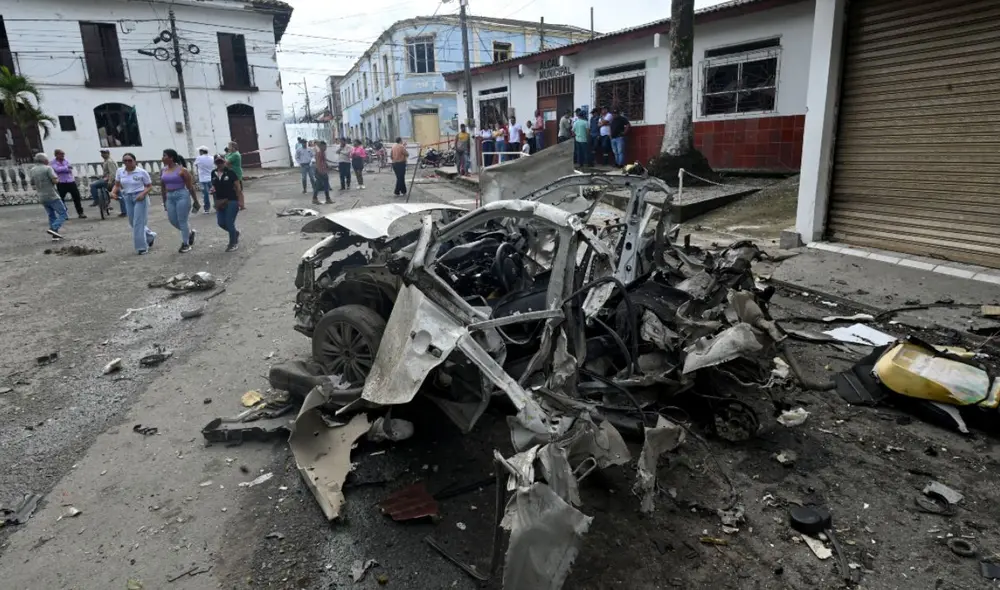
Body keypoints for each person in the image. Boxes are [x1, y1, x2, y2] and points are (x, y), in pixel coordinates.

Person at [110, 152, 157, 255]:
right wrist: (113, 192)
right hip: (127, 197)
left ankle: (142, 247)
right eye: (125, 161)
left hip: (140, 197)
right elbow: (117, 185)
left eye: (130, 160)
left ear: (135, 161)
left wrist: (143, 194)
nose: (127, 163)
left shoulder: (141, 172)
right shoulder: (120, 171)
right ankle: (150, 236)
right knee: (132, 222)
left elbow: (149, 186)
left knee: (138, 222)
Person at [160, 149, 198, 253]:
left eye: (164, 156)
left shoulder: (182, 170)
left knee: (182, 220)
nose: (162, 158)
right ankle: (189, 233)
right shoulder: (163, 170)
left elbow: (190, 187)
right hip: (170, 196)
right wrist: (164, 201)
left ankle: (186, 244)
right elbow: (163, 187)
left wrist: (195, 200)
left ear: (171, 158)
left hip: (181, 195)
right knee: (172, 220)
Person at [30, 153, 68, 240]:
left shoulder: (32, 170)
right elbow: (55, 180)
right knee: (63, 213)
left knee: (51, 215)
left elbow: (32, 182)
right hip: (51, 195)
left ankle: (55, 235)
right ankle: (53, 228)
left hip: (41, 195)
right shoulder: (47, 168)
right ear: (44, 160)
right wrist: (57, 179)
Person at [211, 155, 245, 252]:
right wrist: (213, 190)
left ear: (225, 162)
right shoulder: (213, 173)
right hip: (220, 201)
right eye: (217, 162)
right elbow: (214, 185)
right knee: (221, 223)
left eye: (221, 162)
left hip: (231, 200)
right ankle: (235, 233)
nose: (219, 164)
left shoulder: (230, 173)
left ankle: (233, 243)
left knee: (229, 222)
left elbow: (238, 187)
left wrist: (241, 201)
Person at [51, 149, 85, 219]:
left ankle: (80, 213)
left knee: (76, 197)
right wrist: (66, 168)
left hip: (70, 181)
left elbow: (70, 169)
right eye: (61, 154)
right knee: (61, 199)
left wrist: (64, 169)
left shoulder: (66, 161)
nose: (63, 156)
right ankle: (64, 214)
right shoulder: (53, 162)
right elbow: (57, 170)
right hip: (61, 182)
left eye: (63, 154)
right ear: (56, 155)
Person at [91, 148, 123, 216]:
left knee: (93, 185)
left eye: (104, 153)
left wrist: (110, 182)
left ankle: (96, 200)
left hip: (110, 180)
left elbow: (113, 173)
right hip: (108, 179)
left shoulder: (109, 161)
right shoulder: (106, 161)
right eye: (102, 153)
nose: (102, 154)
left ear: (108, 153)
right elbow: (107, 172)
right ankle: (122, 210)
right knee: (120, 195)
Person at [194, 146, 215, 214]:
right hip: (211, 177)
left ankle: (207, 209)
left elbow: (196, 165)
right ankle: (217, 206)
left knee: (205, 195)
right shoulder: (212, 158)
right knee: (215, 193)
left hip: (203, 178)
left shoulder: (199, 158)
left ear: (201, 151)